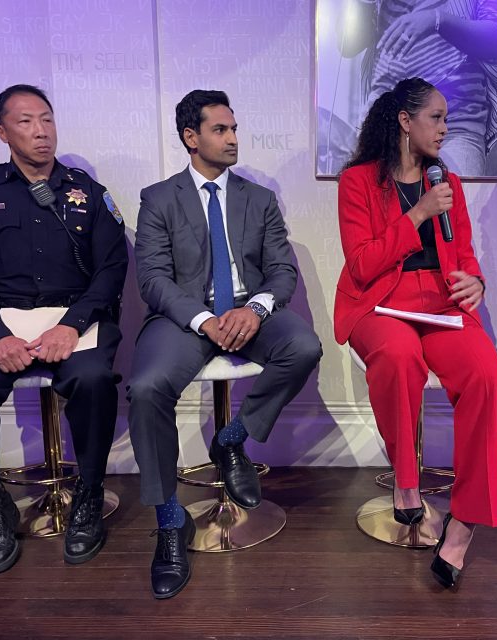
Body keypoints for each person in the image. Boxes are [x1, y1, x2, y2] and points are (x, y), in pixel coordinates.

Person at [128, 89, 322, 600]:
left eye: (235, 128)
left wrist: (253, 308)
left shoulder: (258, 199)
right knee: (147, 387)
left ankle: (232, 437)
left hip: (248, 312)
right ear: (191, 138)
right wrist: (202, 318)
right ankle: (170, 522)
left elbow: (282, 271)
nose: (233, 138)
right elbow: (151, 278)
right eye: (221, 130)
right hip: (186, 320)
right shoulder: (159, 198)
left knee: (303, 346)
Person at [0, 84, 128, 574]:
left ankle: (88, 492)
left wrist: (73, 325)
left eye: (46, 118)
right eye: (25, 121)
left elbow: (111, 269)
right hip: (0, 320)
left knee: (92, 381)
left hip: (73, 319)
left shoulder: (87, 191)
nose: (41, 130)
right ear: (2, 132)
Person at [334, 77, 497, 588]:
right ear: (405, 121)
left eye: (448, 118)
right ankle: (405, 479)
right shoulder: (359, 182)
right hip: (379, 303)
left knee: (487, 377)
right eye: (436, 116)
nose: (445, 127)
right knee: (397, 356)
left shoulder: (447, 182)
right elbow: (362, 264)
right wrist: (417, 214)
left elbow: (466, 252)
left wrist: (475, 281)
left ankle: (466, 521)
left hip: (441, 302)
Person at [332, 0, 497, 176]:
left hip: (453, 126)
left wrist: (438, 20)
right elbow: (348, 44)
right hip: (385, 124)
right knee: (370, 209)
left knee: (448, 210)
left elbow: (496, 39)